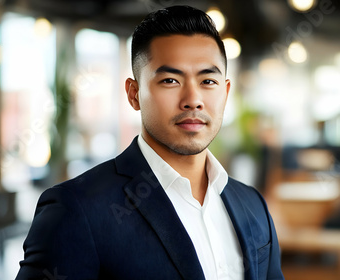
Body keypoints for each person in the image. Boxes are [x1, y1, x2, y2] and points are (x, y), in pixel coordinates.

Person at [16, 5, 284, 280]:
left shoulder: (253, 206)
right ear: (134, 94)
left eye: (207, 80)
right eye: (170, 80)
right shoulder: (77, 209)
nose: (193, 99)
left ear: (225, 92)